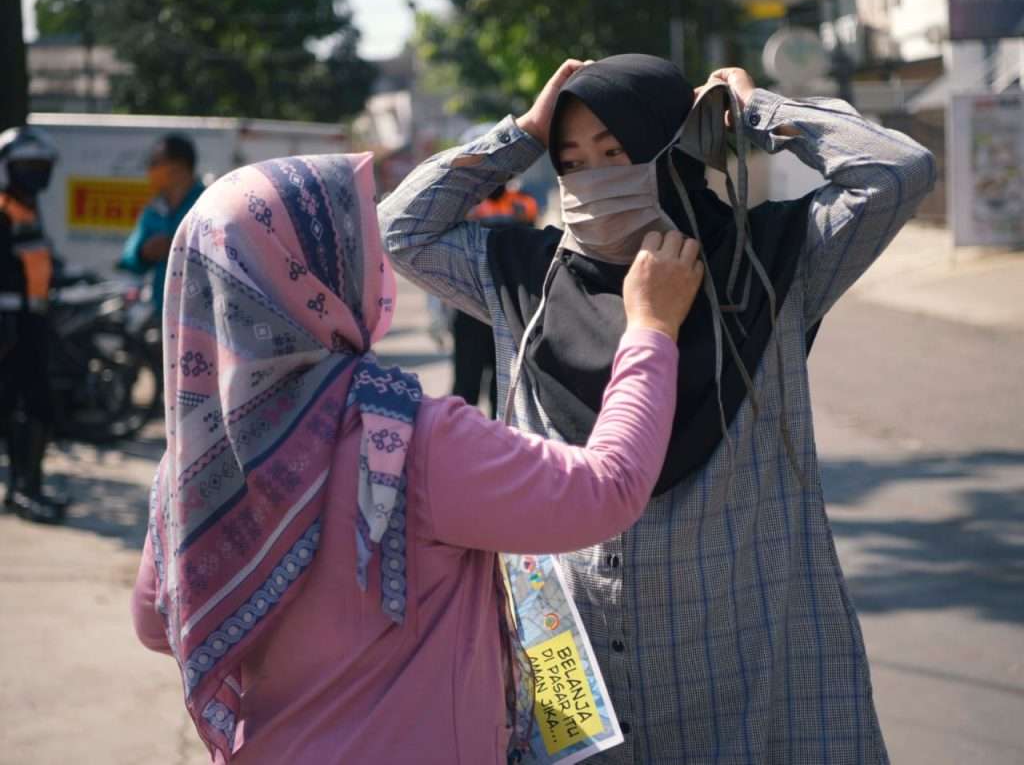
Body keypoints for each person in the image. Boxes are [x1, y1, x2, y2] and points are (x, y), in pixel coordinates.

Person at [379, 55, 936, 764]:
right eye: (573, 160)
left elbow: (899, 171)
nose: (593, 178)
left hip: (750, 672)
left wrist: (753, 110)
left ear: (673, 146)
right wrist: (524, 130)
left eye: (616, 152)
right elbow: (401, 229)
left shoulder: (765, 261)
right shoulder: (525, 277)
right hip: (570, 668)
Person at [130, 152, 705, 763]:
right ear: (323, 272)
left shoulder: (196, 460)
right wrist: (651, 328)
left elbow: (157, 620)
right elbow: (608, 489)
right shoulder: (408, 439)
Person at [0, 126, 67, 523]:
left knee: (39, 407)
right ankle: (22, 489)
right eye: (27, 166)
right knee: (18, 408)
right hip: (9, 328)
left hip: (33, 323)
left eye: (41, 166)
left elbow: (38, 264)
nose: (36, 173)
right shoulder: (3, 210)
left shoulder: (28, 210)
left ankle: (29, 486)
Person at [453, 182, 540, 416]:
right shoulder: (466, 205)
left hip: (508, 306)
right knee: (466, 383)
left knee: (503, 384)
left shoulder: (523, 202)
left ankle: (497, 438)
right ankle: (457, 440)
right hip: (470, 305)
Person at [118, 133, 205, 313]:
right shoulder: (154, 209)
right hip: (162, 313)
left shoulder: (208, 204)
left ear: (179, 166)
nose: (150, 170)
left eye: (155, 163)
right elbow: (129, 258)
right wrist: (143, 253)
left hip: (201, 315)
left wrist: (182, 249)